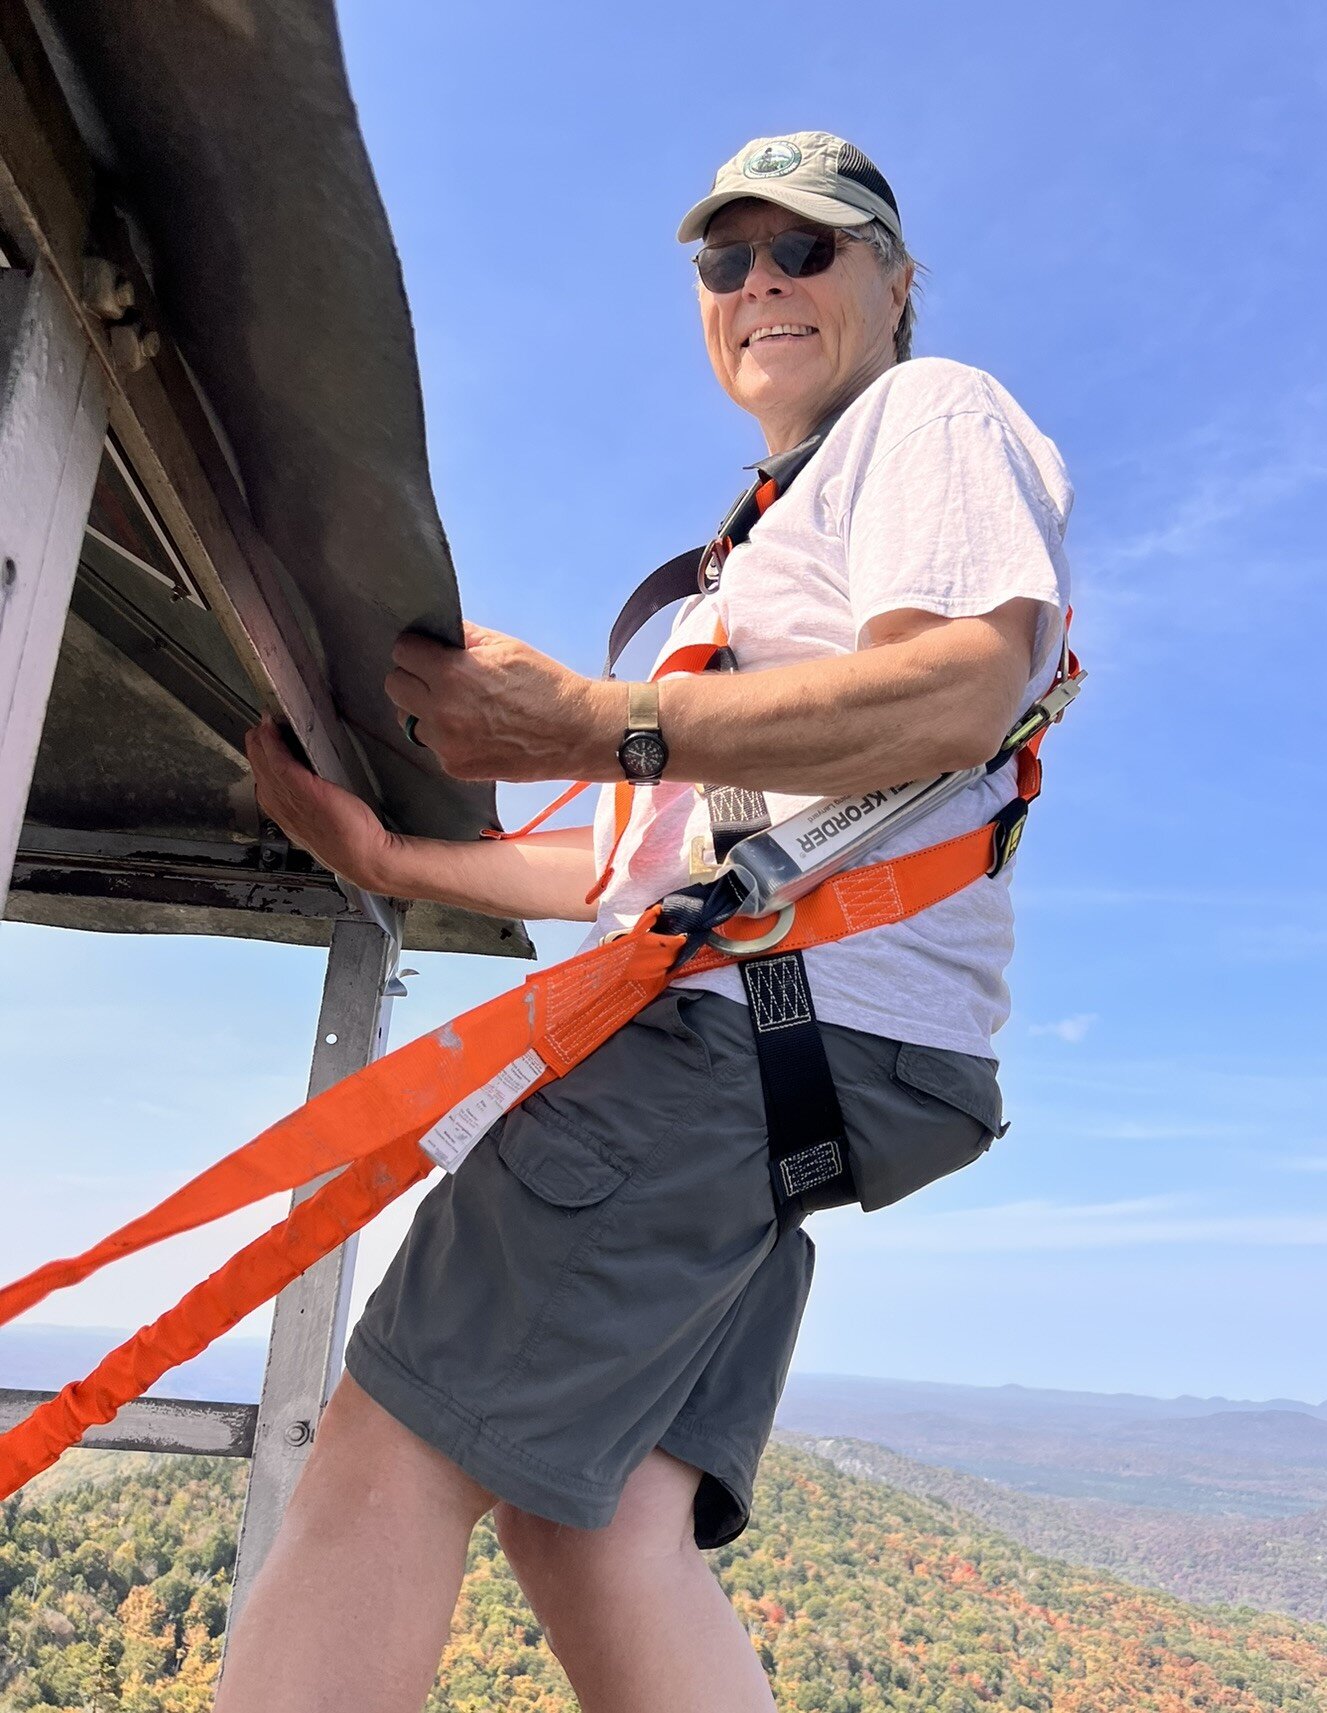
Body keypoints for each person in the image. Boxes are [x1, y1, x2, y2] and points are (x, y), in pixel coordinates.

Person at [225, 131, 1073, 1713]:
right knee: (599, 1520)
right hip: (815, 1047)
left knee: (386, 1450)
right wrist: (391, 849)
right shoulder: (762, 550)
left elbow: (961, 684)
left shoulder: (929, 414)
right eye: (724, 260)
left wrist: (602, 720)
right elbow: (633, 879)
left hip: (748, 1032)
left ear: (897, 282)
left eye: (807, 249)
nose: (760, 283)